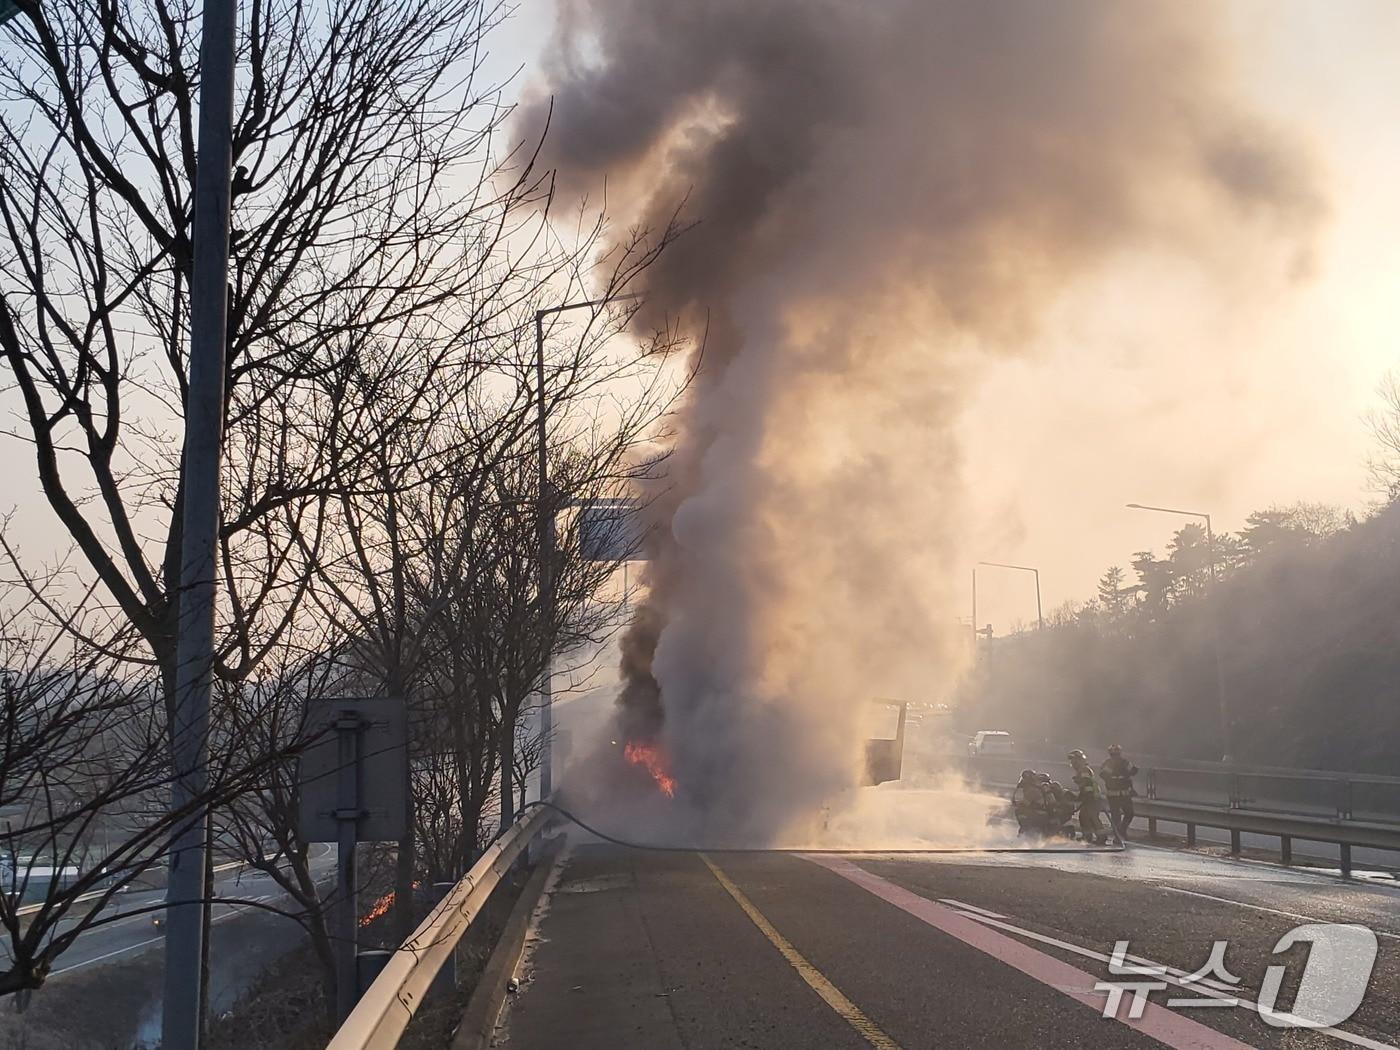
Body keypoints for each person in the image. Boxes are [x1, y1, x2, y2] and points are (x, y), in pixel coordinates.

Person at [1099, 744, 1139, 840]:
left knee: (1129, 813)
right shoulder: (1107, 763)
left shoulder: (1125, 763)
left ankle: (1122, 831)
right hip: (1113, 794)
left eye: (1117, 754)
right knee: (1116, 817)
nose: (1116, 756)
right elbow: (1103, 774)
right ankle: (1118, 836)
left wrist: (1128, 772)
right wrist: (1114, 776)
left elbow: (1134, 770)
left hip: (1125, 793)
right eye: (1114, 754)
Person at [1071, 767, 1108, 845]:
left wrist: (1080, 804)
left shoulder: (1086, 779)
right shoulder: (1085, 780)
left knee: (1093, 819)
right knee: (1084, 818)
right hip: (1091, 801)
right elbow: (1083, 794)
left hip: (1092, 802)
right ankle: (1087, 836)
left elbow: (1088, 793)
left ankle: (1101, 837)